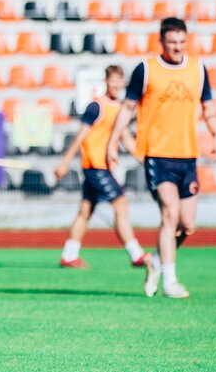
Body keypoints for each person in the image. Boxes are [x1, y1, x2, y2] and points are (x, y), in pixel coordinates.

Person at [107, 17, 216, 298]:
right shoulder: (146, 69)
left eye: (182, 42)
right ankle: (171, 281)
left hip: (188, 155)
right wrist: (112, 143)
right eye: (172, 42)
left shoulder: (197, 69)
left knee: (187, 225)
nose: (177, 47)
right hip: (157, 155)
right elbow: (127, 108)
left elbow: (208, 107)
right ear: (161, 42)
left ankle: (157, 262)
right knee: (169, 213)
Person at [53, 65, 151, 270]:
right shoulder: (96, 107)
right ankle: (136, 255)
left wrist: (147, 160)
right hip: (96, 166)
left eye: (120, 81)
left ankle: (69, 256)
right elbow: (80, 136)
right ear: (106, 81)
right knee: (121, 204)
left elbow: (126, 139)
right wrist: (64, 162)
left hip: (103, 167)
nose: (117, 85)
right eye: (113, 80)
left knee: (85, 210)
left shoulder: (120, 108)